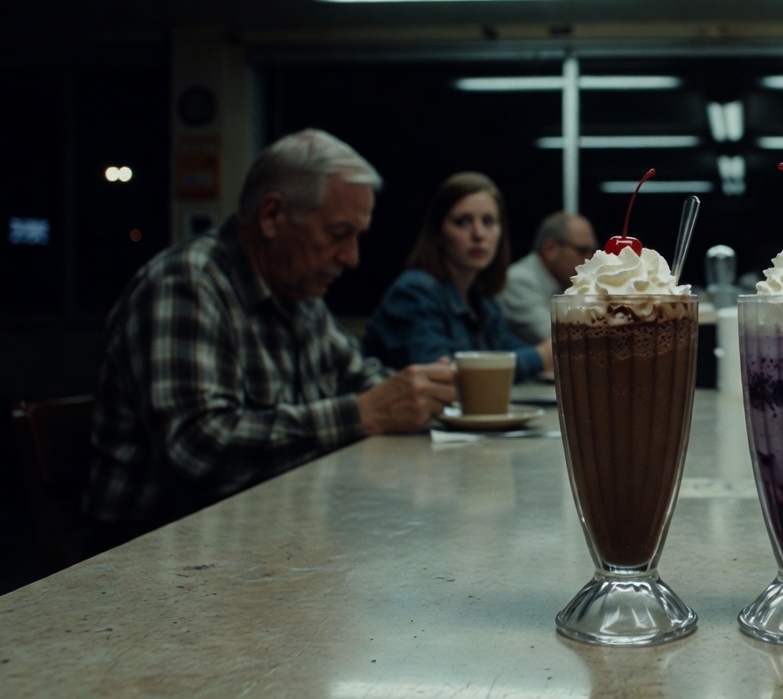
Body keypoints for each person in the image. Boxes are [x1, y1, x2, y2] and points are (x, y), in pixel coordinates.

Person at [86, 129, 458, 542]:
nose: (352, 258)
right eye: (339, 234)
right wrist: (364, 413)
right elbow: (198, 449)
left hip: (259, 532)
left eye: (358, 237)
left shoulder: (298, 294)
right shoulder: (186, 284)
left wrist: (425, 392)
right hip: (153, 556)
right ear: (271, 216)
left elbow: (364, 380)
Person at [362, 172, 549, 379]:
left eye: (488, 221)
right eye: (462, 222)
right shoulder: (415, 292)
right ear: (438, 233)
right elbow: (443, 376)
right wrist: (541, 356)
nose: (478, 234)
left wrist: (545, 354)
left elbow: (508, 350)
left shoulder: (483, 300)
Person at [498, 211, 598, 343]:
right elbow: (563, 338)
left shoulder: (563, 281)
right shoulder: (518, 281)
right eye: (583, 251)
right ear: (550, 249)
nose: (590, 260)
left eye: (593, 252)